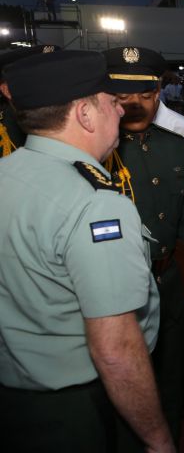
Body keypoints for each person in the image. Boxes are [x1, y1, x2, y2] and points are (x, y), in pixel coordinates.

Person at [0, 50, 172, 452]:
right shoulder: (94, 203)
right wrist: (158, 439)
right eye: (112, 101)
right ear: (85, 114)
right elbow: (114, 349)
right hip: (79, 408)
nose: (121, 110)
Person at [104, 46, 184, 449]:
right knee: (122, 386)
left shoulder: (174, 144)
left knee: (170, 383)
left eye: (146, 94)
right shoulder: (96, 150)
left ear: (159, 93)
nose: (136, 105)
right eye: (124, 96)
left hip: (167, 281)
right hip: (116, 290)